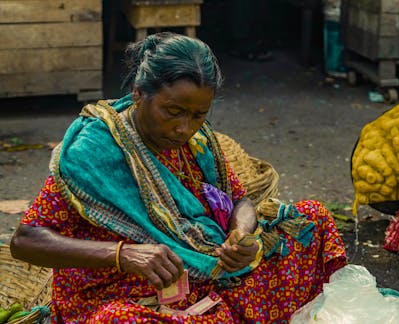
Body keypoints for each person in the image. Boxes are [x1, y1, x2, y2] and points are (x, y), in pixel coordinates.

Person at [10, 32, 346, 323]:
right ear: (140, 93)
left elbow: (240, 200)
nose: (184, 128)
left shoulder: (199, 143)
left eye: (198, 115)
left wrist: (240, 235)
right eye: (173, 112)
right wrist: (122, 254)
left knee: (312, 221)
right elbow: (26, 240)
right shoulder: (95, 152)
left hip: (204, 272)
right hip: (122, 293)